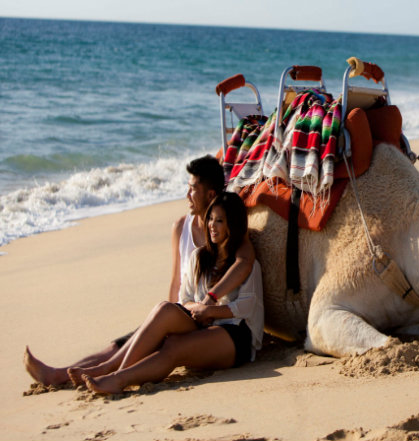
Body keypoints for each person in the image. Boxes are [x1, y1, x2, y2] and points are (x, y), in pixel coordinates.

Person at [24, 155, 256, 387]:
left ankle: (110, 374)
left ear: (210, 195)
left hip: (212, 320)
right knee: (122, 343)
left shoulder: (233, 239)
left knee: (159, 340)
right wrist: (170, 321)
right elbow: (177, 284)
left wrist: (205, 305)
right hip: (189, 313)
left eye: (192, 189)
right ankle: (60, 374)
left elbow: (244, 269)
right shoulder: (183, 230)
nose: (187, 195)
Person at [77, 191, 263, 394]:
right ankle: (114, 370)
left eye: (219, 220)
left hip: (236, 334)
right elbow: (185, 299)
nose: (211, 225)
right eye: (210, 218)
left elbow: (247, 306)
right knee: (164, 308)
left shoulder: (247, 263)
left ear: (233, 225)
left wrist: (210, 312)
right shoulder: (199, 257)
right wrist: (199, 309)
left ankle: (118, 378)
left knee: (174, 347)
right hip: (204, 322)